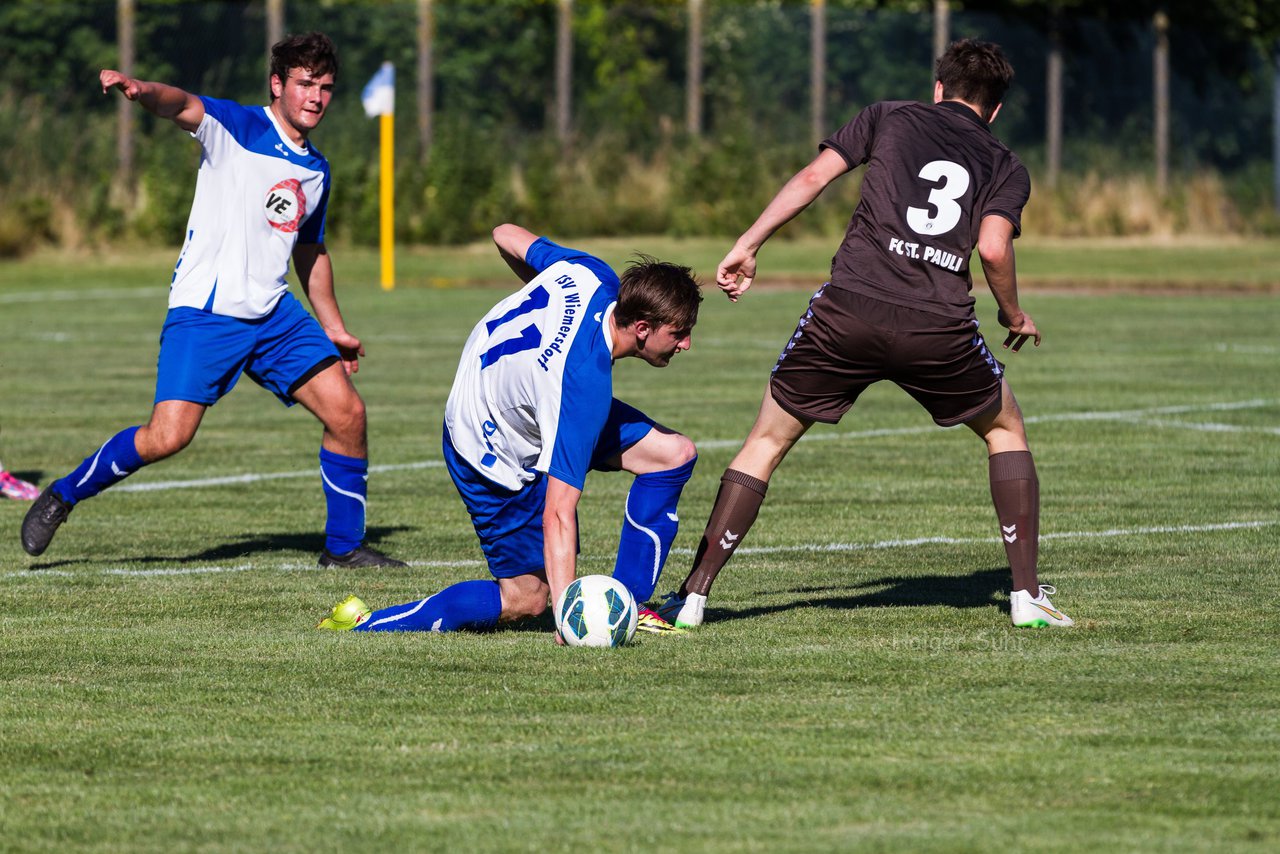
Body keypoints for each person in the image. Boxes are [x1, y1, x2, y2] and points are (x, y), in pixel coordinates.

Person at [658, 39, 1073, 630]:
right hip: (939, 326)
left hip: (848, 311)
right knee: (1005, 428)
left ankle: (694, 596)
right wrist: (1013, 314)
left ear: (938, 88)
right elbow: (991, 246)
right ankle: (1027, 596)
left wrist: (748, 244)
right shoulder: (1007, 165)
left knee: (766, 441)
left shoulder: (887, 116)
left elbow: (812, 176)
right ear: (997, 109)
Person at [22, 33, 404, 568]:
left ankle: (343, 549)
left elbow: (311, 253)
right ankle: (64, 493)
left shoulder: (317, 169)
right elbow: (180, 103)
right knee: (166, 437)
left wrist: (334, 327)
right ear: (277, 85)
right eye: (304, 84)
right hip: (206, 313)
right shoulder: (238, 127)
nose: (315, 97)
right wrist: (140, 88)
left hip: (274, 316)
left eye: (325, 87)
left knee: (348, 414)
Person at [317, 223, 702, 636]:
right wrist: (569, 618)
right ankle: (365, 623)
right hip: (485, 444)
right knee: (527, 600)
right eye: (678, 333)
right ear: (641, 328)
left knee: (672, 455)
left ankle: (629, 603)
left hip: (514, 395)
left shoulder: (591, 274)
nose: (686, 344)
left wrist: (548, 302)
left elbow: (504, 233)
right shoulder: (581, 387)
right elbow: (557, 512)